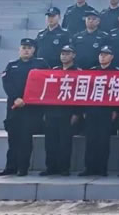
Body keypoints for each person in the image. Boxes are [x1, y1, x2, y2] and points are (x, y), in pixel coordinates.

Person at [0, 38, 49, 176]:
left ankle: (22, 167)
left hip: (30, 108)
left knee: (25, 138)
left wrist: (27, 99)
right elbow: (6, 83)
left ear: (34, 50)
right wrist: (16, 98)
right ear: (19, 50)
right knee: (12, 138)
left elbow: (45, 82)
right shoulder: (12, 65)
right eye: (24, 48)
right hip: (14, 107)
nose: (26, 50)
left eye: (29, 48)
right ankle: (10, 167)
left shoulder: (40, 64)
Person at [82, 46, 119, 176]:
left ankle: (102, 168)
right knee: (90, 140)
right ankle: (89, 168)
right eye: (101, 55)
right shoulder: (92, 71)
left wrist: (115, 110)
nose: (102, 57)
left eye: (106, 55)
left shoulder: (116, 72)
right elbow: (86, 91)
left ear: (112, 57)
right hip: (92, 110)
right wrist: (84, 109)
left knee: (103, 141)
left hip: (107, 111)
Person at [42, 45, 79, 176]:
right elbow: (48, 92)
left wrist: (77, 113)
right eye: (62, 53)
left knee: (65, 142)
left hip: (67, 113)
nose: (64, 56)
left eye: (67, 53)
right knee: (50, 142)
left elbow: (80, 94)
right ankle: (51, 167)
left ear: (73, 55)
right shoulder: (54, 71)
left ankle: (64, 168)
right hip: (52, 111)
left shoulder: (79, 72)